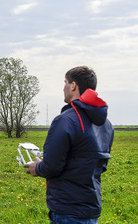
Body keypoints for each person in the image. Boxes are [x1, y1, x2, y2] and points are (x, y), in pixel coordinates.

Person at [25, 66, 114, 224]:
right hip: (92, 208)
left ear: (73, 86)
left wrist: (36, 167)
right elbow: (98, 165)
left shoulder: (65, 120)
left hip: (68, 210)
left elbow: (51, 167)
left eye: (65, 82)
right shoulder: (106, 125)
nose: (63, 87)